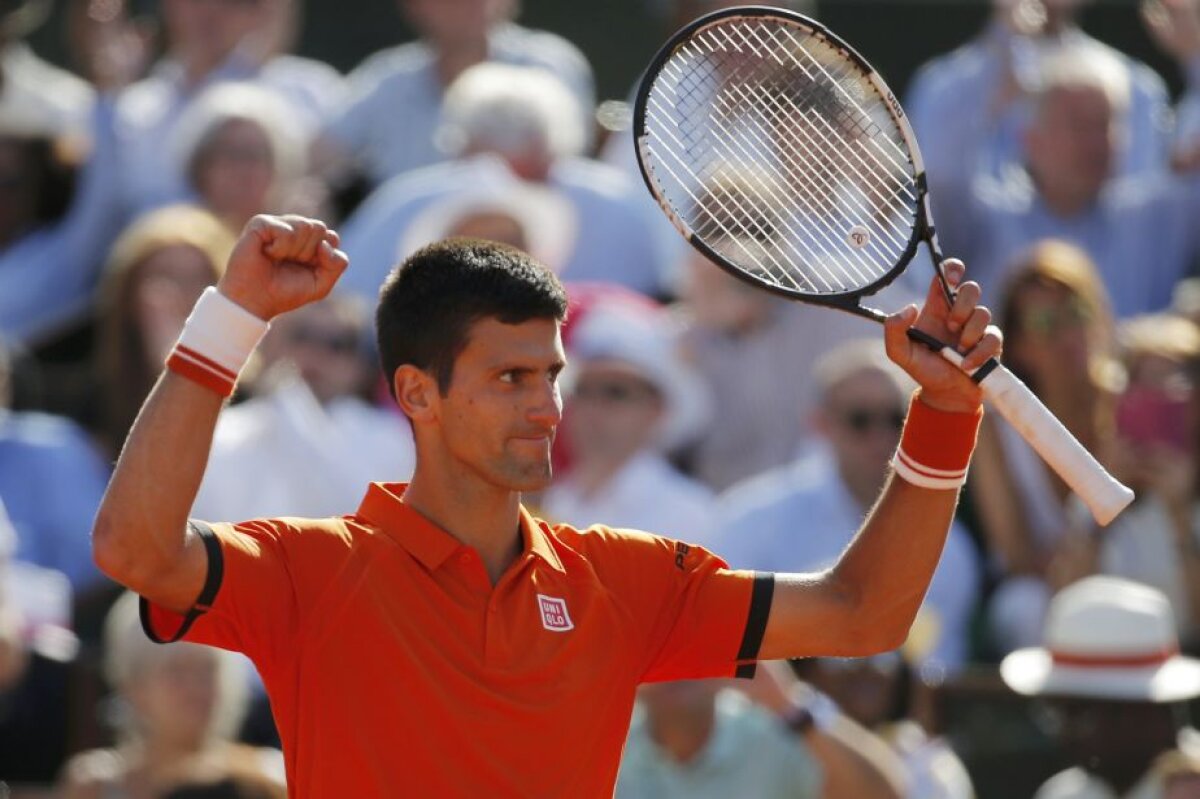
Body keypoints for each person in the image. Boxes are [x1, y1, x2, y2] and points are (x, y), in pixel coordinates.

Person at [90, 212, 1000, 795]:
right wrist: (231, 317)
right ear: (417, 393)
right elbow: (134, 550)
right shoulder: (308, 567)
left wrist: (946, 413)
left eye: (552, 375)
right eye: (511, 377)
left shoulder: (625, 576)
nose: (546, 405)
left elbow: (865, 612)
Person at [710, 339, 983, 672]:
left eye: (896, 419)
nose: (880, 436)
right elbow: (729, 648)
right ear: (820, 423)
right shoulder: (751, 518)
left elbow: (935, 673)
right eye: (860, 419)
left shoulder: (950, 545)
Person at [337, 62, 669, 302]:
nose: (502, 190)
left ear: (553, 154)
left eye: (525, 173)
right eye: (484, 172)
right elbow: (348, 305)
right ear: (462, 155)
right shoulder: (404, 203)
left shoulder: (619, 210)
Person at [936, 43, 1200, 317]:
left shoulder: (1160, 217)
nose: (1095, 141)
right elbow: (942, 170)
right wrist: (1000, 45)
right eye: (1077, 124)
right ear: (1031, 139)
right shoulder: (985, 221)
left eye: (1105, 122)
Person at [312, 0, 594, 188]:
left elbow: (567, 171)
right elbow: (321, 159)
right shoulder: (385, 79)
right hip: (408, 260)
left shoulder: (548, 64)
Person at [56, 591, 286, 799]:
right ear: (135, 686)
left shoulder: (263, 782)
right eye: (177, 672)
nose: (196, 687)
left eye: (208, 670)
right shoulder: (94, 786)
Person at [1001, 575, 1200, 798]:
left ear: (1138, 715)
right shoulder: (1063, 794)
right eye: (1057, 713)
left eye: (1076, 714)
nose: (1063, 732)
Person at [539, 296, 714, 539]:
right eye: (582, 391)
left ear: (657, 410)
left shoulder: (689, 513)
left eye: (616, 392)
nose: (593, 408)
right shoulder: (555, 499)